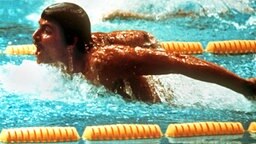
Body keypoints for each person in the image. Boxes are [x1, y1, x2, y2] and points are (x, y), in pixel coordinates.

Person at [33, 2, 256, 102]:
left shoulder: (103, 62)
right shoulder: (64, 58)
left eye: (46, 30)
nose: (35, 36)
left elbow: (179, 62)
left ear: (71, 41)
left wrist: (245, 87)